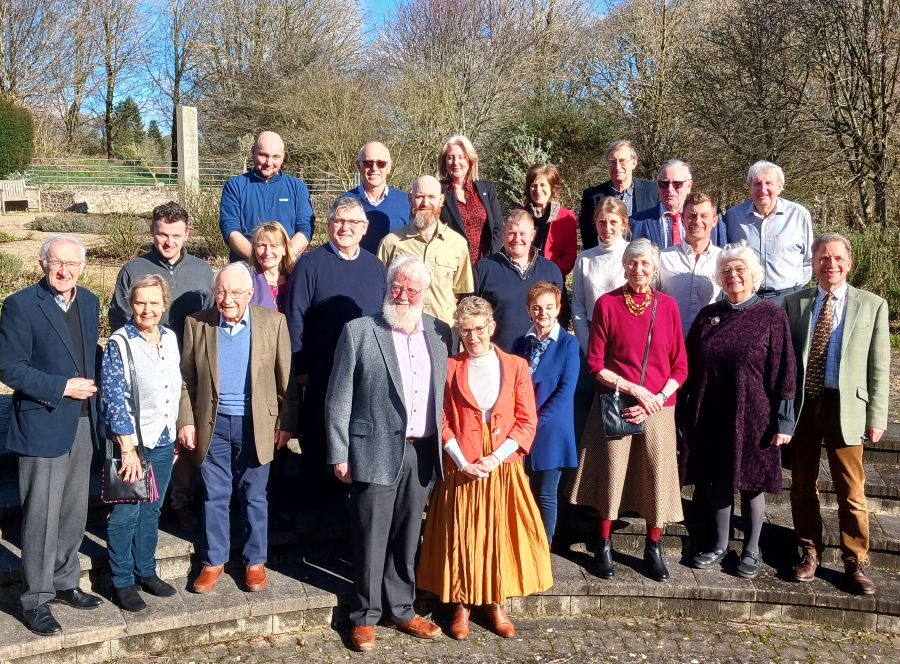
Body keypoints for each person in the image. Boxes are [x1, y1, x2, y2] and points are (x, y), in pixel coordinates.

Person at [326, 256, 452, 652]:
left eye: (412, 289)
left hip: (422, 452)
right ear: (387, 286)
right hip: (372, 449)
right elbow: (338, 397)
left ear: (424, 293)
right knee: (370, 537)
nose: (403, 295)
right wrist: (339, 452)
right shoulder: (360, 331)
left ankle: (401, 608)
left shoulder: (441, 333)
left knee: (408, 536)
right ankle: (364, 616)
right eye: (397, 286)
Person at [418, 296, 552, 641]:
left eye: (479, 329)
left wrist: (497, 457)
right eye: (466, 330)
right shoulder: (449, 367)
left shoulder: (516, 366)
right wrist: (461, 460)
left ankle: (496, 603)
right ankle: (461, 605)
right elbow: (440, 419)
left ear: (491, 326)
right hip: (461, 463)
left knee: (498, 533)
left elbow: (527, 420)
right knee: (461, 533)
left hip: (502, 464)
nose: (473, 336)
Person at [0, 235, 103, 635]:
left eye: (72, 263)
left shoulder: (90, 301)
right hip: (43, 422)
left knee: (74, 511)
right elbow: (10, 367)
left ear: (82, 266)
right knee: (41, 515)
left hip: (83, 423)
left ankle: (64, 581)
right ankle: (35, 600)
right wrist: (62, 387)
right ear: (42, 264)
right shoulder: (21, 305)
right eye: (57, 262)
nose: (64, 270)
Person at [569, 239, 688, 582]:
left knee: (656, 474)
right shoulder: (607, 304)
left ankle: (654, 547)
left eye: (645, 263)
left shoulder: (668, 307)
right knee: (612, 473)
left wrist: (655, 398)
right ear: (624, 266)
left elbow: (680, 366)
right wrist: (635, 391)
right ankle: (603, 544)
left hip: (659, 407)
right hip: (616, 402)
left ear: (654, 268)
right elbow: (595, 364)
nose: (638, 269)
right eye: (632, 263)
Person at [178, 264, 298, 594]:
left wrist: (286, 423)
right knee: (214, 495)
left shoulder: (273, 323)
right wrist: (186, 419)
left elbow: (286, 379)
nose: (227, 299)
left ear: (249, 294)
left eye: (234, 293)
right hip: (212, 424)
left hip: (256, 424)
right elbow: (186, 379)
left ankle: (254, 561)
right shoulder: (197, 323)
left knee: (254, 495)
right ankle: (213, 560)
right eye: (221, 292)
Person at [681, 244, 796, 579]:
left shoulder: (771, 315)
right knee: (717, 479)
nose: (733, 275)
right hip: (712, 409)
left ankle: (752, 549)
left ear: (753, 274)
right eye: (727, 270)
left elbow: (785, 368)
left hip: (755, 412)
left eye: (740, 269)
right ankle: (719, 545)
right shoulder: (708, 315)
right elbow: (688, 363)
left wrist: (784, 420)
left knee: (751, 481)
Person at [785, 232, 889, 595]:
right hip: (804, 405)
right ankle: (809, 550)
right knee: (802, 484)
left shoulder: (872, 305)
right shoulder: (794, 303)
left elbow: (879, 365)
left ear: (849, 262)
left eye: (838, 258)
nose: (831, 264)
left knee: (851, 489)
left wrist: (877, 416)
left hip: (847, 407)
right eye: (823, 258)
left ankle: (855, 560)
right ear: (813, 263)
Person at [108, 201, 215, 532]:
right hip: (146, 370)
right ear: (152, 232)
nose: (168, 241)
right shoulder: (133, 269)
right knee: (151, 438)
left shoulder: (202, 271)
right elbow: (119, 320)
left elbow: (211, 317)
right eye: (162, 234)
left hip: (189, 367)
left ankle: (180, 501)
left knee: (186, 437)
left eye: (175, 235)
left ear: (187, 234)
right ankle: (144, 501)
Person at [286, 196, 387, 531]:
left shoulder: (375, 267)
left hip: (364, 374)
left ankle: (346, 511)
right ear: (329, 225)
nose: (346, 228)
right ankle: (311, 511)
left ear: (364, 228)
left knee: (355, 441)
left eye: (353, 222)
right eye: (339, 221)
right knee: (318, 439)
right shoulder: (310, 264)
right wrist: (301, 369)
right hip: (321, 371)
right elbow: (295, 318)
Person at [101, 275, 182, 611]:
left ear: (164, 304)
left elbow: (175, 388)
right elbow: (113, 399)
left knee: (152, 509)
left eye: (154, 302)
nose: (147, 309)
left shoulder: (170, 338)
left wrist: (175, 433)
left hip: (163, 438)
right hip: (132, 444)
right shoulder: (120, 343)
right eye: (140, 302)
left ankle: (145, 570)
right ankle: (122, 580)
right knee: (126, 514)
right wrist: (127, 448)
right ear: (130, 304)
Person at [511, 282, 580, 543]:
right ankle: (523, 549)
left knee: (546, 495)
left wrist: (535, 423)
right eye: (537, 308)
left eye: (549, 307)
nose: (543, 313)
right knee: (522, 492)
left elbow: (565, 391)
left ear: (558, 309)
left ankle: (543, 550)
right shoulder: (520, 344)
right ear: (528, 310)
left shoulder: (569, 344)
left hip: (551, 430)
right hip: (520, 430)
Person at [378, 175, 474, 331]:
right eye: (419, 197)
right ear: (410, 198)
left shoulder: (458, 244)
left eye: (431, 197)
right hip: (401, 331)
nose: (425, 203)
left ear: (441, 200)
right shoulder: (390, 243)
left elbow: (460, 294)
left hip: (443, 333)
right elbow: (380, 290)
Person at [474, 210, 567, 352]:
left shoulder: (550, 270)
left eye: (522, 233)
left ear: (532, 235)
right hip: (498, 356)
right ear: (503, 234)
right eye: (511, 233)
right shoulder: (484, 268)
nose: (517, 239)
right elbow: (469, 313)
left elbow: (561, 316)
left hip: (540, 356)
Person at [724, 161, 813, 303]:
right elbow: (725, 257)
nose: (763, 189)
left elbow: (809, 260)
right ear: (750, 187)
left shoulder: (798, 215)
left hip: (789, 298)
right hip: (747, 298)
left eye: (769, 183)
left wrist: (794, 287)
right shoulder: (733, 216)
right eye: (757, 184)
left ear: (780, 186)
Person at [219, 130, 315, 262]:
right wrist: (258, 260)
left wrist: (282, 260)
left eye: (275, 157)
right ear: (253, 152)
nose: (269, 162)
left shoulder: (298, 187)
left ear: (283, 156)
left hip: (287, 266)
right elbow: (230, 229)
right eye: (263, 155)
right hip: (247, 265)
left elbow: (305, 229)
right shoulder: (235, 186)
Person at [658, 192, 723, 336]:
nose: (697, 221)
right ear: (682, 219)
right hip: (672, 341)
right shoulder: (662, 258)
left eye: (704, 216)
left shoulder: (723, 260)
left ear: (714, 220)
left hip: (709, 341)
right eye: (692, 216)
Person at [571, 196, 630, 354]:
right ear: (595, 223)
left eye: (613, 222)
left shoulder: (633, 255)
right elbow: (578, 305)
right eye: (602, 222)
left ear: (624, 224)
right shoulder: (584, 259)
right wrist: (587, 344)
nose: (607, 228)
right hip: (592, 336)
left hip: (626, 337)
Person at [578, 140, 659, 250]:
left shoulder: (653, 191)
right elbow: (588, 238)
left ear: (634, 163)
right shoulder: (592, 196)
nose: (617, 167)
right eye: (612, 162)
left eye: (622, 161)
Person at [632, 159, 726, 249]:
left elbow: (722, 253)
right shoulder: (637, 222)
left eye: (677, 184)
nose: (670, 189)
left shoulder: (712, 217)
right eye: (663, 184)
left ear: (689, 186)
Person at [438, 135, 504, 262]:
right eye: (450, 157)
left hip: (485, 265)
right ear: (444, 161)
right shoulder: (438, 191)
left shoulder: (487, 190)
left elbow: (498, 229)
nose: (455, 162)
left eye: (461, 157)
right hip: (452, 266)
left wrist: (489, 261)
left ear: (470, 160)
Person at [342, 141, 410, 254]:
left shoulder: (406, 202)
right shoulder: (344, 202)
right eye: (368, 163)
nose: (374, 168)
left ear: (389, 167)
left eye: (381, 163)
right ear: (358, 166)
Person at [520, 163, 578, 276]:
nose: (538, 190)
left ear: (552, 188)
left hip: (552, 278)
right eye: (533, 185)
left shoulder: (566, 217)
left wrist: (552, 274)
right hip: (522, 277)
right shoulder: (519, 215)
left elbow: (570, 256)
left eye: (543, 185)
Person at [248, 221, 296, 312]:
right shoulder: (247, 280)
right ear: (254, 248)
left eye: (274, 246)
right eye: (262, 245)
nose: (267, 252)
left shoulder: (296, 279)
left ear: (284, 249)